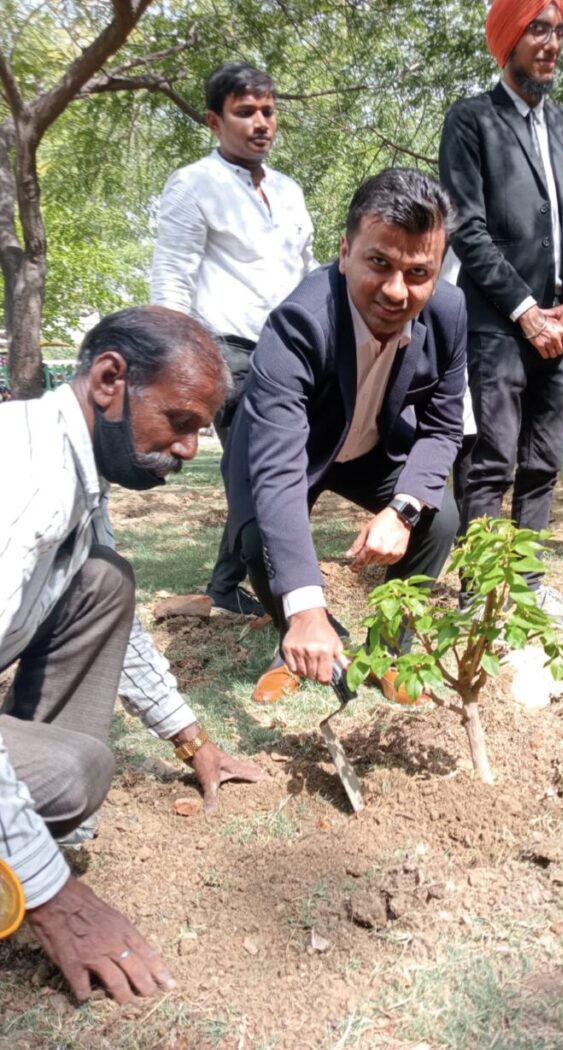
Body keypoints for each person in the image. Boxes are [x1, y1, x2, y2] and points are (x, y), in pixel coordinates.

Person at [0, 307, 261, 1003]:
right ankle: (19, 859)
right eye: (180, 422)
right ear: (111, 379)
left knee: (103, 579)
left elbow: (113, 621)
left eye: (202, 429)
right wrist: (57, 904)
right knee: (72, 769)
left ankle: (24, 843)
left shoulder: (72, 463)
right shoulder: (25, 486)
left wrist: (192, 740)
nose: (189, 449)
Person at [222, 168, 466, 704]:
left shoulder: (448, 313)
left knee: (438, 515)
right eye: (379, 263)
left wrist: (402, 510)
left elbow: (444, 427)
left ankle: (389, 653)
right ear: (345, 251)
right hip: (293, 449)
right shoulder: (299, 323)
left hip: (371, 447)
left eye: (419, 272)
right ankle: (301, 638)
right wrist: (307, 609)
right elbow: (279, 470)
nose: (396, 290)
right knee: (259, 537)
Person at [438, 0, 563, 630]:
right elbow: (465, 227)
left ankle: (527, 588)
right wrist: (527, 310)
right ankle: (480, 593)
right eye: (538, 29)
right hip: (497, 325)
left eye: (558, 31)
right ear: (508, 38)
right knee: (491, 461)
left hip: (562, 325)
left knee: (543, 461)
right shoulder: (472, 120)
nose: (551, 43)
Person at [151, 61, 318, 617]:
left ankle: (223, 588)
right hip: (228, 354)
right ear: (213, 121)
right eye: (245, 112)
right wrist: (178, 363)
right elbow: (172, 278)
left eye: (268, 111)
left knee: (269, 466)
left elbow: (307, 271)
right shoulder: (193, 184)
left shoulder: (290, 191)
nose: (260, 123)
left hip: (293, 350)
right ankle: (285, 598)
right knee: (259, 467)